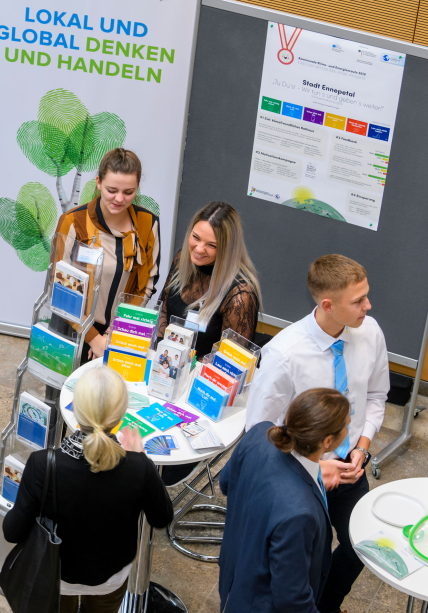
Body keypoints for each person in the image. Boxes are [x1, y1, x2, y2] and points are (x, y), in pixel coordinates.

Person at [246, 254, 390, 613]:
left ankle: (327, 606)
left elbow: (375, 396)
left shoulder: (369, 332)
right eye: (358, 301)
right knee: (306, 562)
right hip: (297, 477)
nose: (368, 306)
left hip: (348, 467)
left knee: (363, 545)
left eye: (366, 295)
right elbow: (257, 436)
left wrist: (362, 445)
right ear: (328, 305)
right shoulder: (283, 354)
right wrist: (311, 470)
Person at [2, 366, 173, 613]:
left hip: (56, 575)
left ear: (77, 410)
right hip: (110, 577)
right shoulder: (139, 467)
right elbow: (162, 517)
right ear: (120, 414)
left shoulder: (43, 464)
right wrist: (140, 460)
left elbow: (11, 531)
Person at [219, 388, 349, 612]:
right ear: (328, 441)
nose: (349, 428)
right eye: (347, 424)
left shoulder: (259, 432)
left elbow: (226, 483)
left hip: (234, 577)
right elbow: (292, 598)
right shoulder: (300, 512)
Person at [53, 148, 161, 361]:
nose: (119, 199)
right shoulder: (73, 222)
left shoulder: (148, 224)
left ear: (137, 188)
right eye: (112, 190)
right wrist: (94, 338)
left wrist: (114, 333)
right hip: (72, 328)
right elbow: (60, 286)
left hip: (120, 333)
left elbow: (146, 284)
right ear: (98, 183)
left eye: (128, 192)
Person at [157, 201, 261, 359]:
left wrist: (184, 367)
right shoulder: (182, 259)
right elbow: (164, 308)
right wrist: (161, 353)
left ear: (227, 249)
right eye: (195, 237)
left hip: (202, 378)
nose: (199, 249)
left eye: (211, 245)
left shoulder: (241, 295)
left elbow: (228, 361)